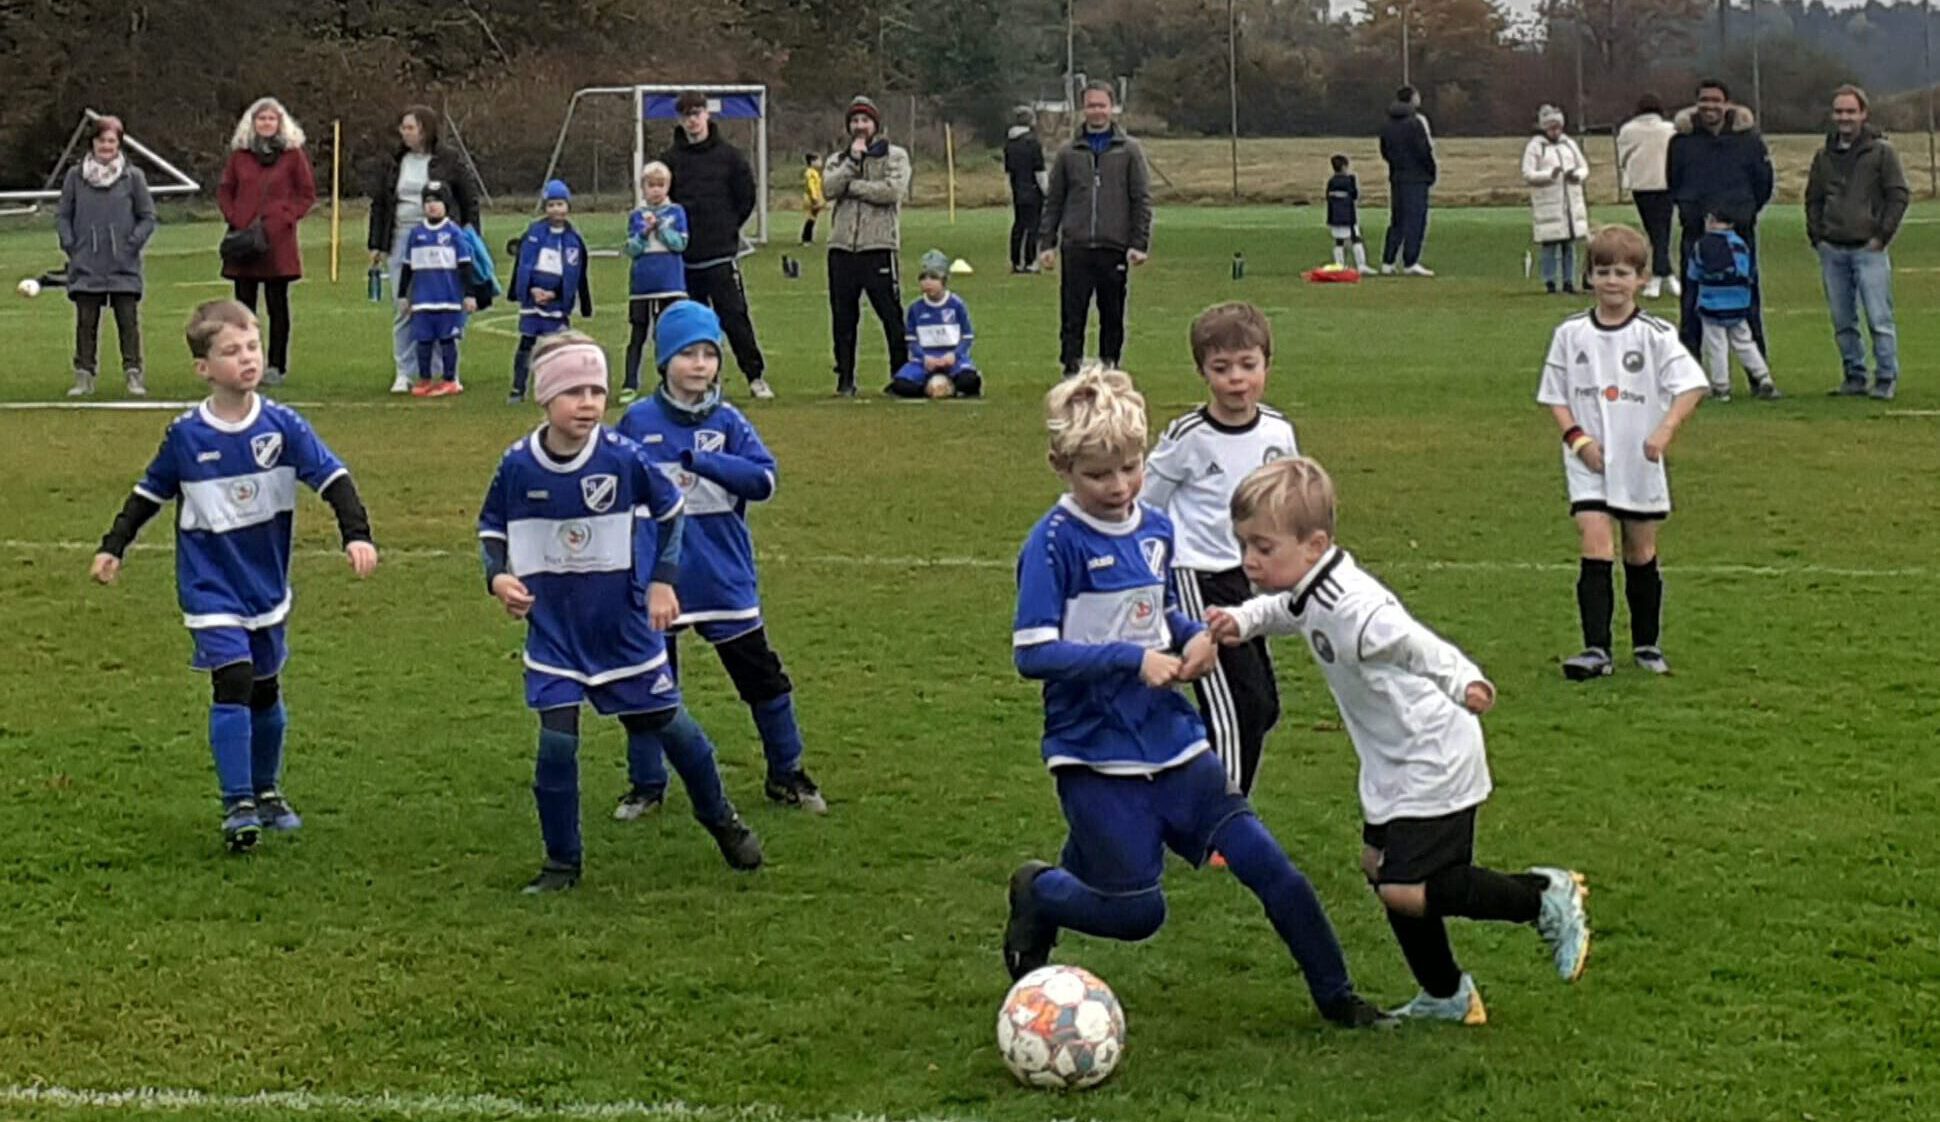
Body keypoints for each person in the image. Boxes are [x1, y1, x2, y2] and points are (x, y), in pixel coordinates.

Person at [1001, 366, 1392, 1030]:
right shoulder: (1052, 543)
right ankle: (1039, 891)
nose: (1120, 486)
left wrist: (1197, 635)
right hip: (1095, 754)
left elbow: (1160, 617)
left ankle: (1339, 1001)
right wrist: (1133, 661)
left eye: (1130, 467)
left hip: (1174, 742)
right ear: (1060, 466)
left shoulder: (1154, 528)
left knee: (1274, 870)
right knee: (1137, 913)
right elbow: (1033, 652)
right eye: (1100, 475)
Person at [1205, 457, 1591, 1025]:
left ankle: (1542, 896)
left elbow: (1418, 646)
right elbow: (1281, 609)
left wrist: (1465, 680)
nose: (1248, 561)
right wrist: (1240, 621)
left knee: (1407, 889)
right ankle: (1445, 994)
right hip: (1391, 761)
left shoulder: (1356, 608)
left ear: (1313, 545)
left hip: (1433, 755)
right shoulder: (1311, 584)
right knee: (1378, 864)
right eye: (1244, 546)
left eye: (1263, 548)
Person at [477, 331, 765, 893]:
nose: (588, 403)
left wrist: (661, 581)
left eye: (597, 390)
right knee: (557, 743)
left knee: (671, 726)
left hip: (622, 628)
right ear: (545, 398)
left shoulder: (623, 456)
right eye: (574, 391)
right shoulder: (517, 465)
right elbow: (490, 529)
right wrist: (498, 577)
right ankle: (562, 862)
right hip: (556, 630)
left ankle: (721, 819)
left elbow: (672, 510)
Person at [88, 300, 378, 851]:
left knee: (266, 690)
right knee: (235, 679)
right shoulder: (186, 436)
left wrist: (355, 532)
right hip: (209, 584)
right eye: (231, 352)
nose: (246, 360)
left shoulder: (283, 425)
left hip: (265, 583)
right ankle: (237, 802)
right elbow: (148, 494)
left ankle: (267, 792)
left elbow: (334, 477)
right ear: (204, 368)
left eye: (252, 347)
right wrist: (114, 546)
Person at [616, 302, 828, 815]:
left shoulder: (730, 421)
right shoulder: (639, 420)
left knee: (763, 679)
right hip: (657, 583)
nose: (700, 364)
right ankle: (647, 784)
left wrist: (705, 461)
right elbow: (617, 494)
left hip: (722, 578)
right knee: (648, 684)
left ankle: (787, 772)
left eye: (709, 353)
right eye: (688, 353)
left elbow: (765, 480)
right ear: (664, 360)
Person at [1141, 302, 1296, 815]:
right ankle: (1222, 823)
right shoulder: (1188, 437)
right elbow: (1146, 505)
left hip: (1251, 584)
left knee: (1263, 706)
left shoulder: (1278, 432)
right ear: (1203, 372)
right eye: (1222, 368)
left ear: (1267, 364)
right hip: (1197, 578)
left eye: (1248, 365)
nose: (1237, 380)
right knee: (1235, 709)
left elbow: (1289, 501)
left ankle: (1173, 782)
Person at [1535, 226, 1707, 682]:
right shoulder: (1570, 334)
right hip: (1587, 461)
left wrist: (1664, 432)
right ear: (1589, 276)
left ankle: (1647, 644)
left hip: (1639, 462)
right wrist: (1578, 439)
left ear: (1640, 279)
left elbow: (1692, 386)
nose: (1612, 281)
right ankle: (1596, 649)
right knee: (1595, 541)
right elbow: (1554, 395)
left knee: (1640, 549)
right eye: (1603, 272)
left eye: (1623, 273)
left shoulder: (1655, 335)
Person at [662, 91, 773, 400]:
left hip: (720, 256)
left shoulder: (730, 157)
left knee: (734, 316)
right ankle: (696, 382)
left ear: (707, 115)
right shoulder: (670, 161)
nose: (692, 121)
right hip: (684, 259)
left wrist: (726, 229)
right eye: (686, 115)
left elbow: (745, 197)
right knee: (689, 322)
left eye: (696, 113)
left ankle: (755, 376)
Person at [1038, 82, 1153, 377]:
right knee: (1072, 312)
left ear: (1112, 108)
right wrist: (1047, 243)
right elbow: (1054, 200)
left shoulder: (1129, 151)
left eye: (1102, 105)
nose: (1097, 111)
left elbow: (1140, 198)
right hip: (1076, 245)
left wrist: (1139, 243)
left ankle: (1109, 365)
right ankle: (1071, 367)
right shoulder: (1068, 152)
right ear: (1083, 109)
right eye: (1091, 105)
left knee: (1112, 312)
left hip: (1113, 245)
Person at [368, 105, 483, 394]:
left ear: (425, 129)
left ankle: (443, 371)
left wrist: (470, 233)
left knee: (444, 305)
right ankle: (404, 372)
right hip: (402, 237)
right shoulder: (395, 162)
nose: (404, 133)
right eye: (403, 127)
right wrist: (376, 245)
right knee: (404, 305)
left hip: (442, 240)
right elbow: (380, 203)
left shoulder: (448, 160)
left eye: (411, 127)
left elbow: (468, 198)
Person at [1806, 84, 1908, 401]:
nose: (1844, 117)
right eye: (1839, 111)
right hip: (1833, 249)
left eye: (1851, 111)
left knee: (1879, 318)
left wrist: (1882, 235)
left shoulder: (1882, 153)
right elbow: (1813, 198)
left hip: (1869, 248)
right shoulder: (1823, 156)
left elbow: (1898, 195)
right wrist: (1817, 234)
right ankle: (1854, 376)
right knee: (1842, 320)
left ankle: (1886, 376)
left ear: (1863, 114)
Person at [1667, 80, 1773, 364]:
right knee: (1692, 302)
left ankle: (1758, 371)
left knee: (1747, 299)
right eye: (1704, 100)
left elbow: (1763, 183)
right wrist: (1691, 208)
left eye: (1716, 100)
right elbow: (1673, 181)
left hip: (1738, 234)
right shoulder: (1681, 143)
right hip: (1696, 233)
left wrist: (1743, 211)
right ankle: (1688, 370)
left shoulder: (1748, 142)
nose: (1709, 106)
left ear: (1727, 104)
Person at [217, 97, 317, 387]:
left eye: (271, 119)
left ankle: (276, 365)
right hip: (244, 240)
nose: (266, 124)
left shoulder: (293, 155)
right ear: (253, 122)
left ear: (280, 122)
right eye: (261, 119)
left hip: (278, 242)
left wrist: (285, 217)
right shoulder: (240, 156)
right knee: (242, 309)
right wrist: (236, 216)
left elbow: (306, 193)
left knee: (277, 305)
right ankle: (242, 364)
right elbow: (226, 190)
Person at [57, 114, 155, 397]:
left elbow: (147, 217)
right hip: (86, 263)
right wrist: (71, 245)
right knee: (86, 322)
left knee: (128, 322)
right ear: (93, 143)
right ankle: (84, 376)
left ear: (119, 144)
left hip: (123, 264)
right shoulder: (75, 177)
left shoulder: (133, 177)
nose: (107, 146)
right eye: (102, 140)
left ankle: (133, 374)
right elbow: (63, 215)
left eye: (112, 141)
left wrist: (131, 244)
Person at [823, 94, 912, 398]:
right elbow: (828, 189)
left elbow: (892, 190)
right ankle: (845, 377)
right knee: (843, 317)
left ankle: (901, 375)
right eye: (855, 121)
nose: (860, 126)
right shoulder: (838, 159)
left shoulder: (895, 156)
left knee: (890, 314)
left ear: (876, 124)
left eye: (865, 120)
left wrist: (856, 187)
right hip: (842, 248)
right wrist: (852, 164)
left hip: (879, 245)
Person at [506, 180, 593, 403]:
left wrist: (558, 295)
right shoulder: (534, 233)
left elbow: (576, 274)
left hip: (556, 303)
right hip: (532, 301)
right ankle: (518, 388)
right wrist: (530, 290)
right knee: (527, 343)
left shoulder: (573, 239)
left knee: (557, 347)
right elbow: (524, 265)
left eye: (560, 204)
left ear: (567, 206)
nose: (556, 209)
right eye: (551, 204)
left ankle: (557, 387)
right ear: (545, 207)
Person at [396, 181, 477, 397]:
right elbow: (407, 266)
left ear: (446, 205)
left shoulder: (453, 233)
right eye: (428, 201)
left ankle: (450, 379)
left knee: (447, 340)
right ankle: (424, 380)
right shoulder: (416, 234)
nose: (432, 206)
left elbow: (465, 266)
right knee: (423, 341)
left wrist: (469, 295)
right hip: (423, 300)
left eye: (437, 201)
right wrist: (403, 295)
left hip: (448, 299)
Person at [1691, 213, 1782, 402]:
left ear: (1712, 221)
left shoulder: (1701, 245)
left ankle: (1721, 387)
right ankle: (1763, 377)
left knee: (1716, 346)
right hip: (1738, 302)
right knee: (1744, 342)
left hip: (1711, 302)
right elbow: (1748, 270)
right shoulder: (1739, 244)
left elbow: (1694, 272)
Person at [622, 162, 690, 403]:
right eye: (651, 185)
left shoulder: (676, 213)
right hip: (642, 287)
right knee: (637, 335)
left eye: (660, 185)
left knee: (668, 335)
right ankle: (629, 383)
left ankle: (670, 383)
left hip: (670, 285)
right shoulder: (636, 216)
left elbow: (680, 244)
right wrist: (643, 233)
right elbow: (631, 249)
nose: (656, 190)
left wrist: (660, 229)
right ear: (643, 188)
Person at [889, 250, 981, 399]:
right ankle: (932, 389)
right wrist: (924, 358)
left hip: (953, 360)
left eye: (933, 278)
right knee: (900, 384)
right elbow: (912, 340)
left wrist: (954, 355)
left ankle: (944, 385)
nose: (928, 282)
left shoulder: (956, 305)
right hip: (924, 361)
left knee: (970, 380)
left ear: (944, 280)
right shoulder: (915, 308)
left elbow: (967, 336)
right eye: (923, 278)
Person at [1522, 105, 1590, 295]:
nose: (1556, 131)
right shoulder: (1536, 147)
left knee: (1569, 244)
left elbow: (1583, 167)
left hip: (1570, 202)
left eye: (1558, 127)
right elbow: (1528, 173)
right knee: (1550, 244)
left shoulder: (1568, 144)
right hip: (1549, 203)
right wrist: (1549, 176)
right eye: (1551, 128)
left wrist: (1576, 176)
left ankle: (1569, 281)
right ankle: (1550, 281)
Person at [1616, 94, 1678, 299]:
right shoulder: (1669, 129)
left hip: (1641, 185)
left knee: (1654, 230)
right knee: (1662, 230)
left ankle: (1660, 276)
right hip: (1666, 183)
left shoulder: (1627, 130)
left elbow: (1623, 157)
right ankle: (1664, 274)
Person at [1378, 86, 1436, 277]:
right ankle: (1411, 261)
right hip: (1416, 177)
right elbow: (1423, 151)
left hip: (1397, 176)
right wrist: (1430, 171)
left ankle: (1388, 261)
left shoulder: (1387, 123)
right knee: (1415, 220)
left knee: (1397, 219)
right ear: (1412, 100)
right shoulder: (1414, 123)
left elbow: (1384, 150)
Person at [1004, 106, 1047, 273]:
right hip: (1033, 189)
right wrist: (1047, 191)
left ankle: (1016, 261)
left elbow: (1009, 170)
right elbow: (1039, 170)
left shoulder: (1009, 144)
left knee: (1019, 225)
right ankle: (1030, 261)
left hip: (1017, 189)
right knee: (1033, 227)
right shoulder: (1032, 142)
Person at [1324, 155, 1369, 272]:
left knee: (1339, 241)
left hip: (1334, 216)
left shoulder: (1331, 182)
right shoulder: (1349, 180)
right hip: (1348, 216)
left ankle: (1339, 264)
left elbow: (1327, 197)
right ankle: (1361, 265)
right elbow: (1354, 195)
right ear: (1344, 166)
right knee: (1356, 239)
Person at [800, 153, 824, 245]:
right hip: (811, 198)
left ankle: (808, 238)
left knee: (813, 218)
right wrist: (815, 198)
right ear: (812, 162)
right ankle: (806, 239)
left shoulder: (814, 172)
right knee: (811, 218)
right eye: (818, 160)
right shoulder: (810, 173)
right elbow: (811, 186)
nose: (820, 163)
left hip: (814, 198)